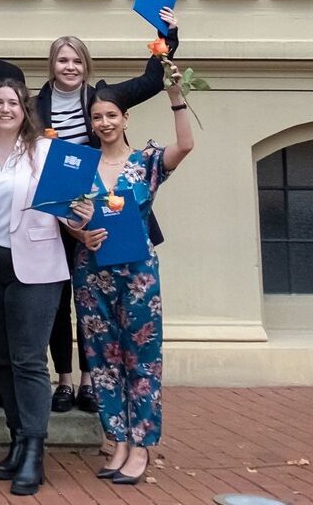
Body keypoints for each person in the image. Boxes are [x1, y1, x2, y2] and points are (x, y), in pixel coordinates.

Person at [36, 8, 181, 413]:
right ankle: (63, 379)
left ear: (86, 65)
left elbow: (154, 78)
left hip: (111, 216)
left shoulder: (104, 99)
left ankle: (88, 380)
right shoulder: (35, 107)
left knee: (100, 305)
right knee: (60, 298)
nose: (70, 66)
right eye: (62, 60)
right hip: (60, 215)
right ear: (52, 66)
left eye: (76, 60)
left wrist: (166, 31)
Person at [67, 77, 195, 484]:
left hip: (138, 275)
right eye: (97, 117)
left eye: (111, 116)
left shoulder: (147, 161)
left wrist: (176, 97)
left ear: (125, 118)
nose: (104, 122)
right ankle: (117, 439)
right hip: (91, 272)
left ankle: (140, 445)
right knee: (102, 360)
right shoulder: (80, 164)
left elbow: (186, 146)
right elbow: (62, 212)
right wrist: (79, 233)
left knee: (142, 357)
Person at [0, 79, 70, 496]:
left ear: (24, 109)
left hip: (36, 264)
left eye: (13, 102)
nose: (6, 108)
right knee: (1, 357)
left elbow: (71, 208)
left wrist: (80, 214)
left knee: (29, 358)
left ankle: (34, 448)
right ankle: (16, 439)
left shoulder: (47, 152)